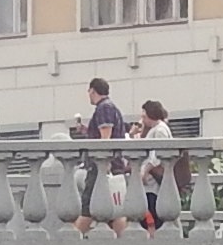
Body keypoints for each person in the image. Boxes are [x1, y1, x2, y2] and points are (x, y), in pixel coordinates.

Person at [69, 74, 129, 234]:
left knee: (88, 207)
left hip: (101, 166)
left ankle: (73, 240)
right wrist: (87, 131)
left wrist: (104, 161)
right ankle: (123, 241)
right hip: (114, 166)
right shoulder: (111, 107)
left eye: (89, 91)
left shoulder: (104, 108)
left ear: (93, 91)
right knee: (116, 210)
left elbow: (105, 137)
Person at [136, 99, 181, 231]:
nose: (143, 119)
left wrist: (145, 171)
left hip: (153, 180)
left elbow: (156, 156)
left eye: (144, 116)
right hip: (152, 179)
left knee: (152, 209)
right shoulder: (158, 128)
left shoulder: (159, 130)